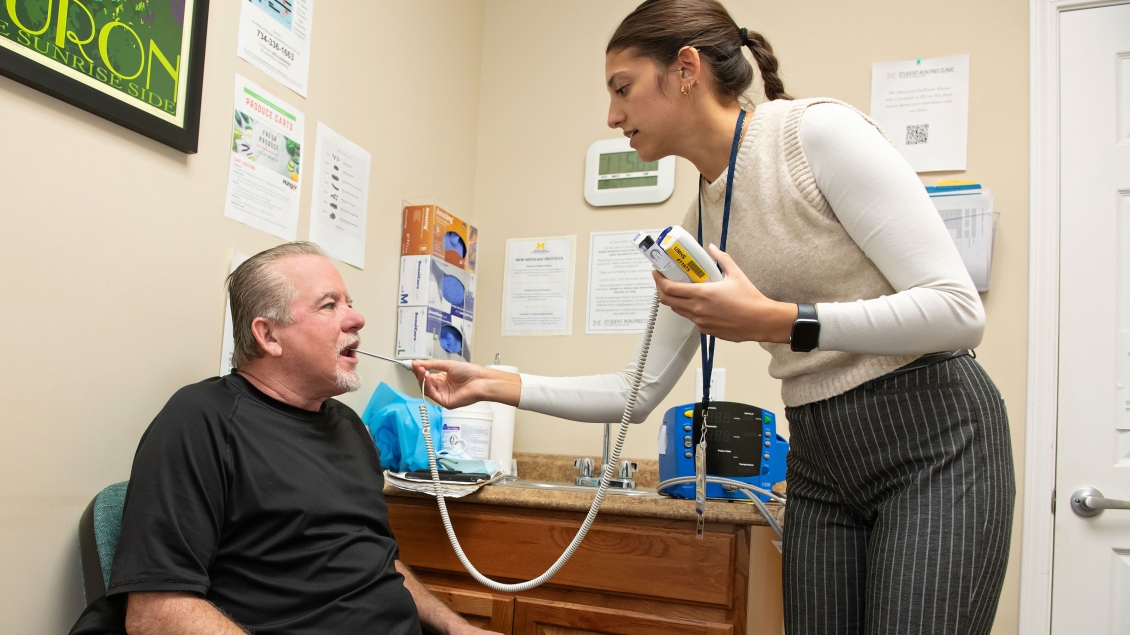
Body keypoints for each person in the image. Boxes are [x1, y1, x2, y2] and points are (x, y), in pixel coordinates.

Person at [413, 1, 1015, 634]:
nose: (612, 115)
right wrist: (490, 385)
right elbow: (636, 392)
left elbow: (957, 312)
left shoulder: (814, 135)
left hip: (931, 438)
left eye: (623, 89)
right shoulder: (700, 220)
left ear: (686, 70)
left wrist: (777, 320)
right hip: (821, 454)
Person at [69, 242, 493, 635]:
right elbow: (157, 612)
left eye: (350, 303)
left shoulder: (348, 427)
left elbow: (380, 563)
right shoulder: (200, 420)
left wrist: (458, 628)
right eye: (330, 305)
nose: (356, 318)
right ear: (268, 335)